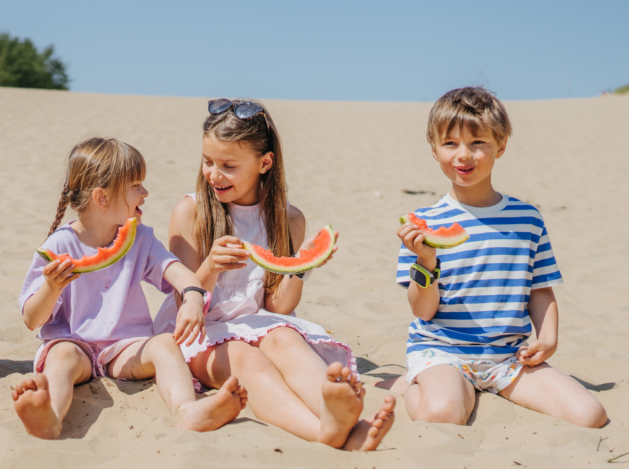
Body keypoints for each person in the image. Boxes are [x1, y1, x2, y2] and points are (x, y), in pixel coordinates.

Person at [155, 99, 394, 450]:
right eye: (208, 162)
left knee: (286, 338)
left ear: (264, 163)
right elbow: (183, 305)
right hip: (198, 332)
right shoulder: (190, 211)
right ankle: (321, 432)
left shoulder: (288, 219)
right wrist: (210, 267)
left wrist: (303, 265)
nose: (214, 174)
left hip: (257, 323)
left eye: (228, 166)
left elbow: (277, 306)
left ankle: (335, 411)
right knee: (246, 359)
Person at [394, 86, 606, 427]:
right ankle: (411, 383)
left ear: (501, 146)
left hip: (509, 357)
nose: (464, 155)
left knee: (590, 415)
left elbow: (540, 289)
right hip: (442, 353)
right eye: (450, 143)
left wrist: (548, 338)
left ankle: (465, 388)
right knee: (442, 414)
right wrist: (425, 262)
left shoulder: (528, 219)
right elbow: (423, 311)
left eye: (477, 142)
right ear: (434, 150)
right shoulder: (424, 223)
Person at [13, 137, 248, 440]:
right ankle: (51, 417)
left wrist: (192, 297)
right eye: (136, 185)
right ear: (101, 197)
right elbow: (32, 319)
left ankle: (187, 410)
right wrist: (51, 287)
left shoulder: (140, 239)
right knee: (62, 359)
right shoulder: (58, 246)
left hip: (125, 348)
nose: (145, 192)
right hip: (73, 342)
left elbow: (179, 273)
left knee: (165, 344)